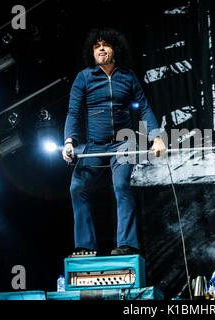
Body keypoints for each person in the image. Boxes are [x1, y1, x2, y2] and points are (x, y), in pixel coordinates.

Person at [62, 28, 166, 256]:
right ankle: (85, 246)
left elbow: (145, 108)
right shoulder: (85, 77)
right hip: (95, 145)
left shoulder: (127, 77)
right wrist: (69, 141)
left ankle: (127, 244)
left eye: (105, 45)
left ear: (114, 50)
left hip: (123, 144)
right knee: (77, 187)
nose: (100, 48)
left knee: (121, 186)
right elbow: (73, 111)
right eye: (96, 45)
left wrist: (156, 137)